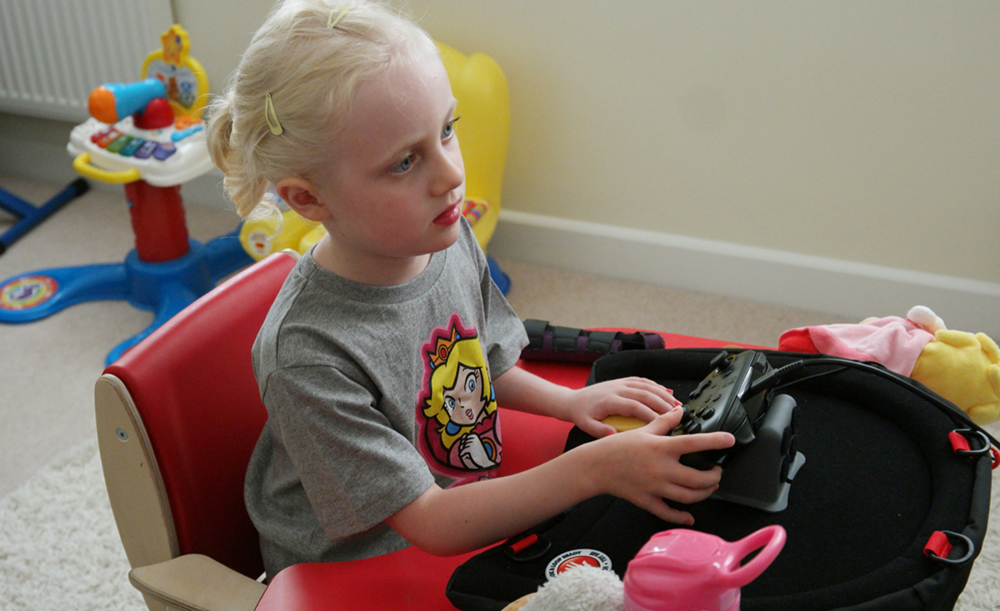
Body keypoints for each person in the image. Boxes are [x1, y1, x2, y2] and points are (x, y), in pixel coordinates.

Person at [207, 0, 734, 579]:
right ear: (308, 199)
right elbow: (429, 522)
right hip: (358, 564)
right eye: (406, 161)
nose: (452, 174)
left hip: (458, 494)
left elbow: (480, 361)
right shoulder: (305, 354)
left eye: (447, 131)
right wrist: (595, 470)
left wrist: (571, 403)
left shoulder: (443, 237)